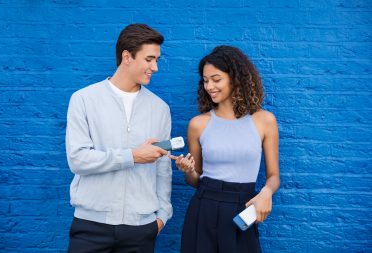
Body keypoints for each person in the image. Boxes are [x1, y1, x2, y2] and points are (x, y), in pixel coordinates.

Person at [66, 24, 172, 253]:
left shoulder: (160, 108)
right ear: (127, 56)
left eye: (157, 60)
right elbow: (78, 160)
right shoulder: (84, 100)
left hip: (141, 229)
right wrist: (132, 156)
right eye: (149, 59)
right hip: (90, 227)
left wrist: (162, 215)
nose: (155, 67)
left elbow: (163, 168)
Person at [170, 45, 280, 253]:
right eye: (205, 80)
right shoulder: (198, 124)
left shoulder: (264, 121)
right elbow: (195, 180)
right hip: (204, 208)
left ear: (235, 79)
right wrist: (188, 170)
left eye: (216, 79)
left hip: (243, 206)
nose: (209, 86)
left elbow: (274, 176)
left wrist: (266, 193)